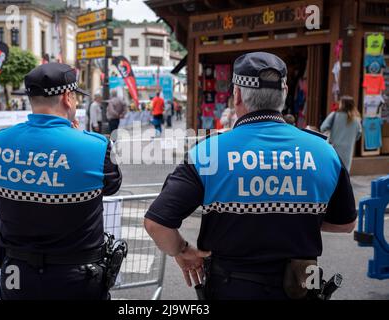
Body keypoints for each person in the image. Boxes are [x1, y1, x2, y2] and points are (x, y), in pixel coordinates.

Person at [144, 52, 357, 300]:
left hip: (232, 288)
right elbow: (346, 223)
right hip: (300, 286)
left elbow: (156, 223)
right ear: (285, 93)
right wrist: (289, 214)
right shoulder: (324, 152)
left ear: (236, 95)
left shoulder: (208, 153)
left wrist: (183, 251)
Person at [0, 62, 122, 300]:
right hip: (76, 276)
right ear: (68, 98)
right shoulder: (96, 145)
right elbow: (112, 185)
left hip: (16, 272)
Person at [320, 96, 362, 172]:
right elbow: (358, 135)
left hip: (333, 149)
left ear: (342, 104)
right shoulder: (357, 119)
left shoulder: (334, 115)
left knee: (332, 171)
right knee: (344, 174)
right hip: (348, 152)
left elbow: (323, 128)